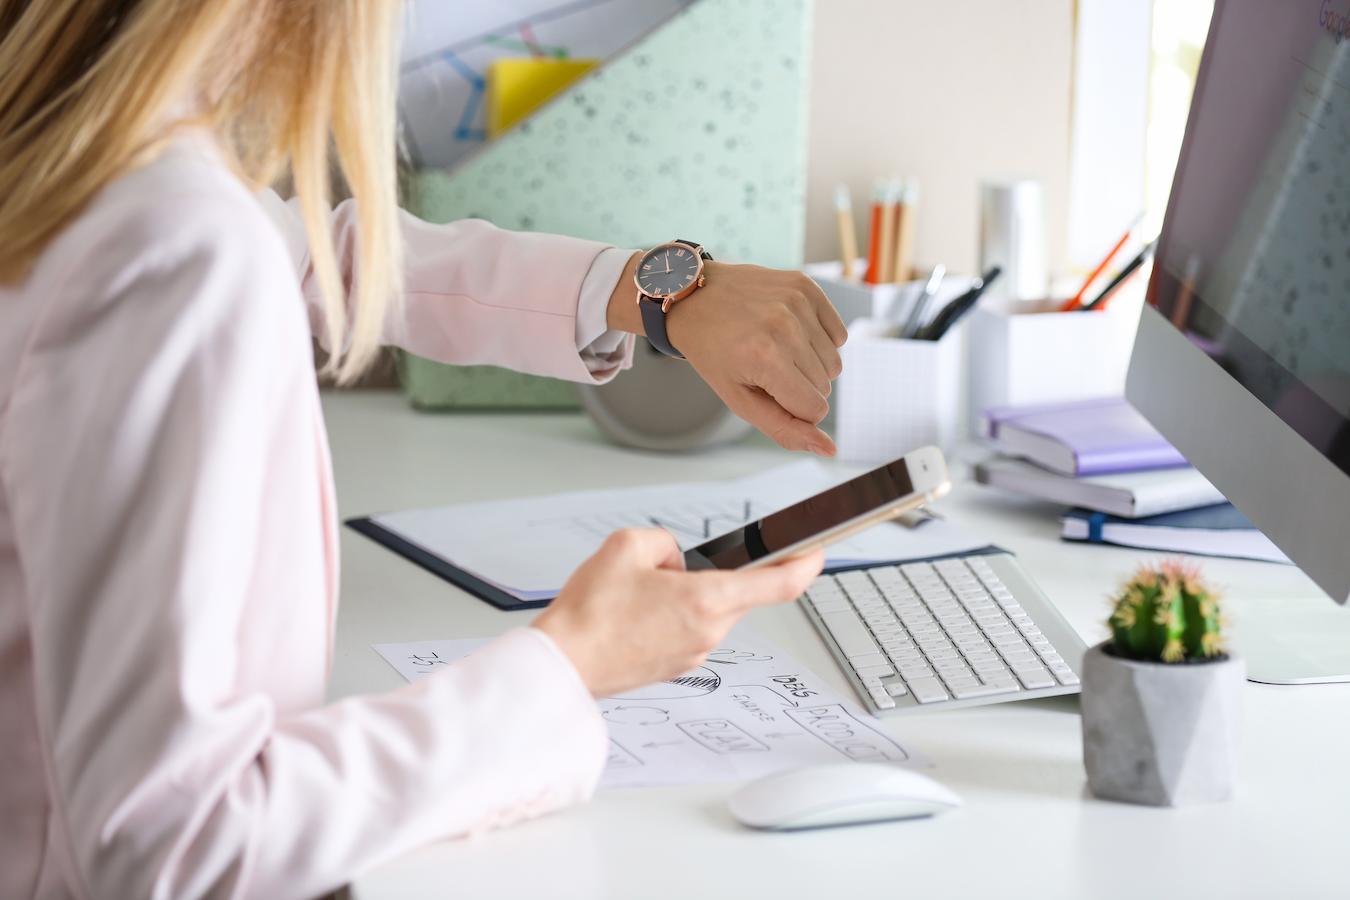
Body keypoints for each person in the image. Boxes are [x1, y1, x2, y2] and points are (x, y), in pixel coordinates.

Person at [0, 2, 848, 898]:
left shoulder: (73, 158)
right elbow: (173, 843)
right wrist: (569, 667)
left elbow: (310, 251)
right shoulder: (171, 244)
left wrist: (652, 291)